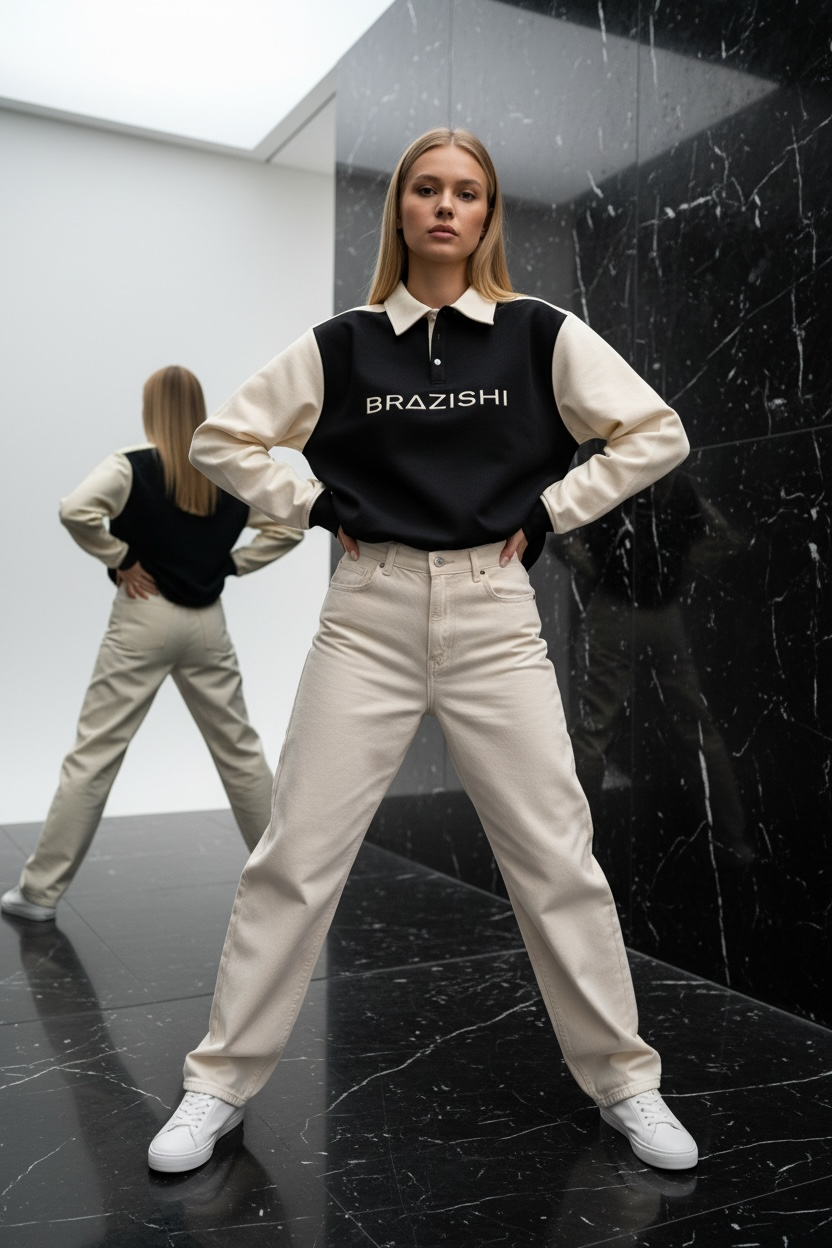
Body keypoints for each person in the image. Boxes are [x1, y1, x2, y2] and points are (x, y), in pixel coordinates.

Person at [147, 130, 699, 1175]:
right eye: (427, 190)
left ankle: (628, 1084)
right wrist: (314, 501)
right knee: (296, 859)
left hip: (494, 614)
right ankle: (216, 1086)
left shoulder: (537, 334)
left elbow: (653, 432)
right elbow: (224, 440)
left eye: (469, 193)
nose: (446, 207)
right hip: (370, 613)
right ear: (401, 208)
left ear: (487, 216)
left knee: (554, 857)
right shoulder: (346, 343)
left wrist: (553, 506)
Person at [2, 366, 301, 923]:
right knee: (240, 754)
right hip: (208, 624)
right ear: (198, 406)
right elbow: (287, 526)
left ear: (151, 407)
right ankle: (290, 890)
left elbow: (75, 510)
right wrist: (229, 564)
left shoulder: (129, 466)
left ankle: (39, 893)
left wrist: (121, 559)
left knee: (94, 756)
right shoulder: (226, 471)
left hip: (143, 620)